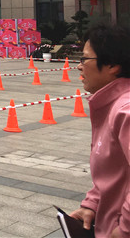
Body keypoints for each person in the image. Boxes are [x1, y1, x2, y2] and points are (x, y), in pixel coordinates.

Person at [69, 23, 130, 238]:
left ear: (112, 65)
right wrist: (93, 204)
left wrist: (124, 230)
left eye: (85, 59)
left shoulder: (125, 111)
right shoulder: (109, 105)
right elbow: (114, 173)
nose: (79, 66)